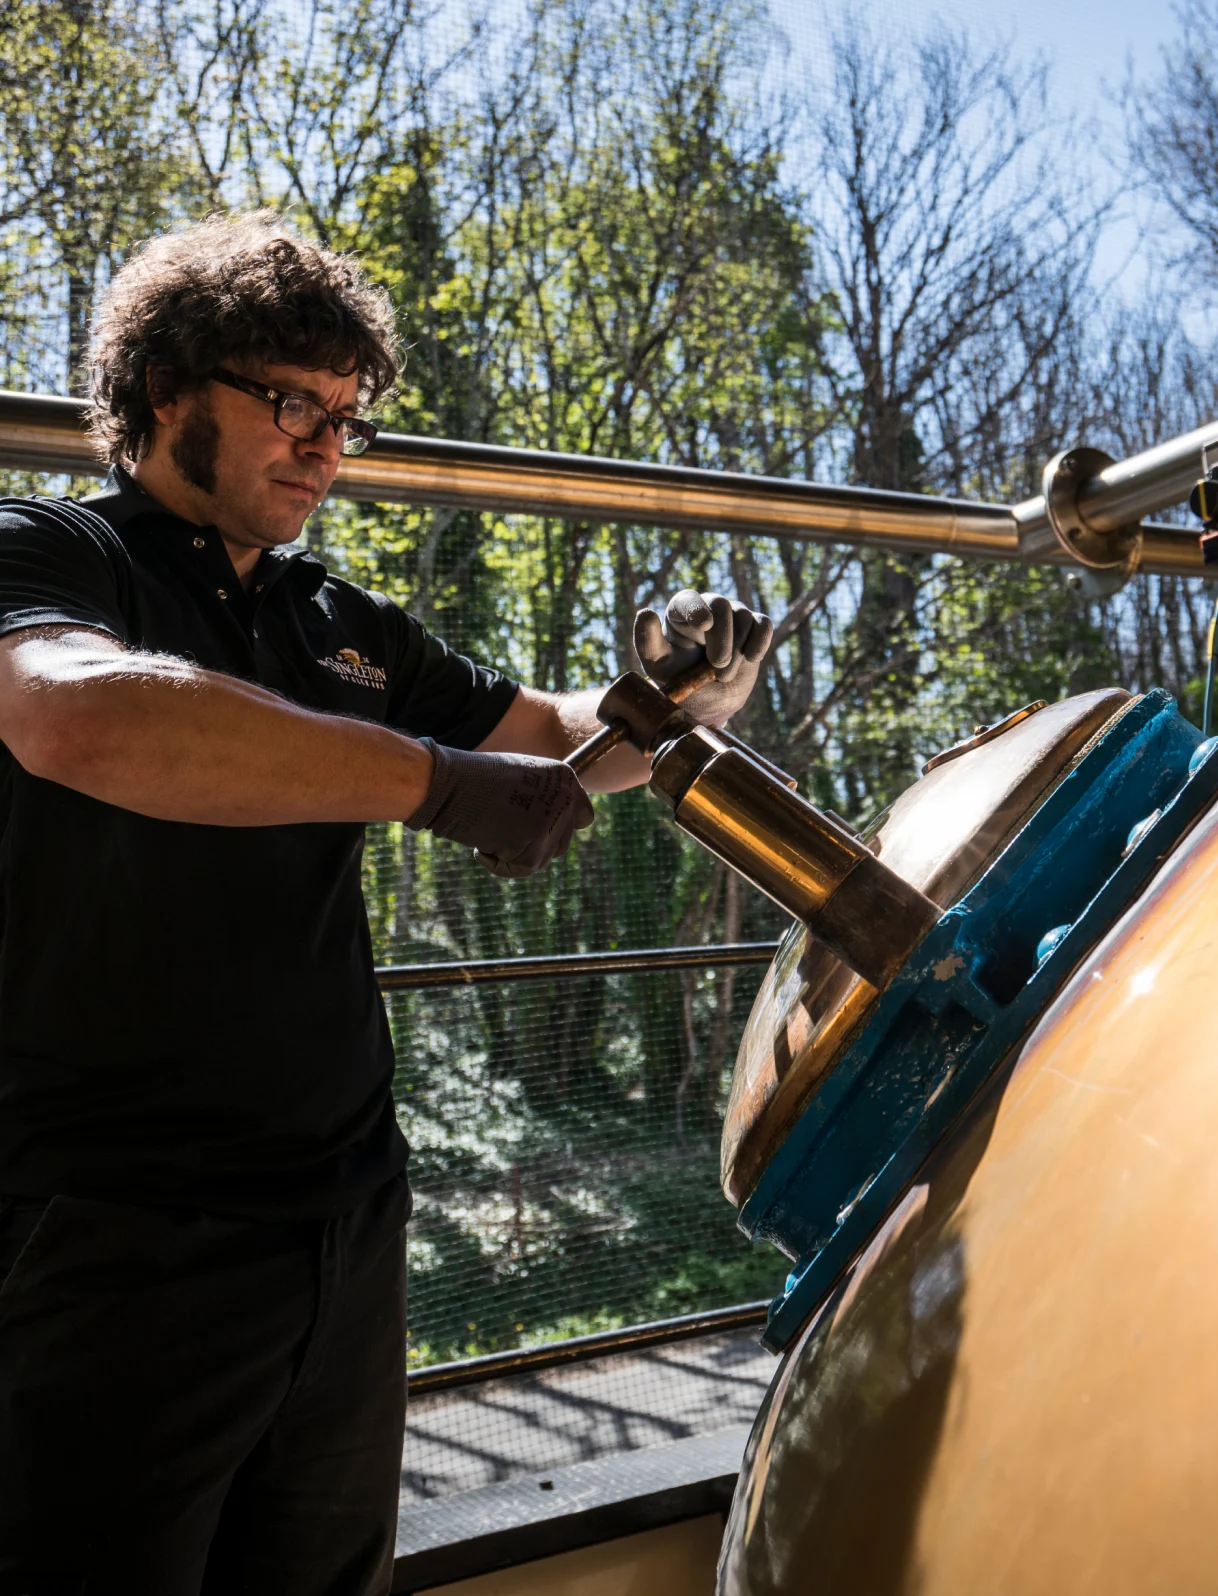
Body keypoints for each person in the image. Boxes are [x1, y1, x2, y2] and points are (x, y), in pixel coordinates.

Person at [0, 213, 773, 1596]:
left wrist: (671, 697)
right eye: (289, 402)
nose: (323, 447)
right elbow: (77, 718)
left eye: (346, 418)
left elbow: (547, 736)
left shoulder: (340, 623)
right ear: (162, 391)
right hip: (109, 1238)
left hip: (347, 1223)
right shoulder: (47, 555)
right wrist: (430, 781)